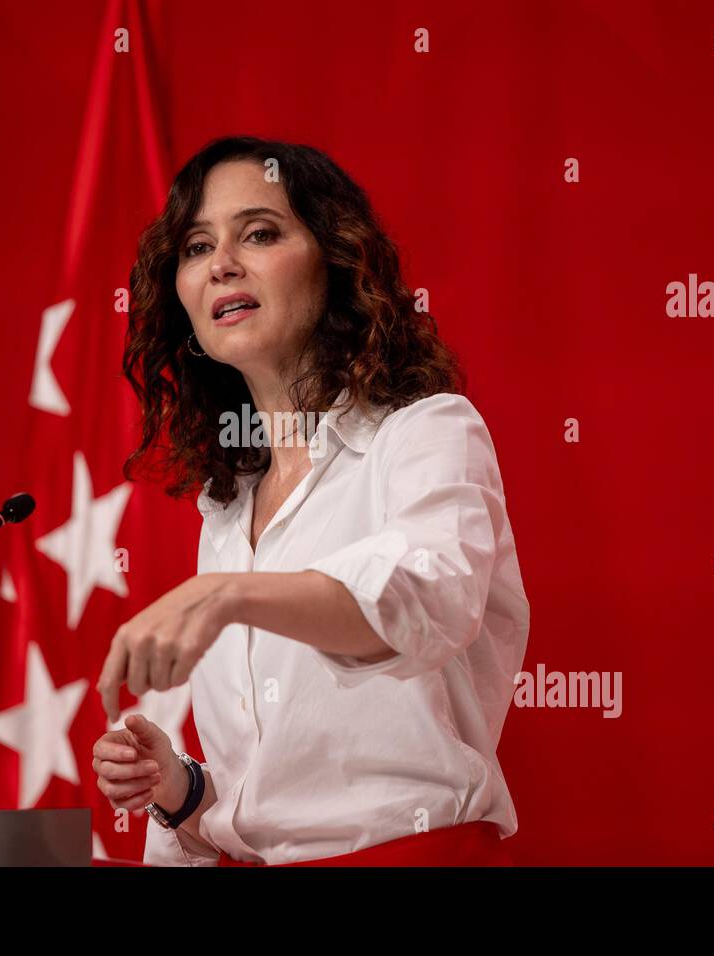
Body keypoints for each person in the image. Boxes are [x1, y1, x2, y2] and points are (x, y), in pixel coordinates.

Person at [91, 135, 530, 866]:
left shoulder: (427, 431)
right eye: (197, 248)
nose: (222, 262)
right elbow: (271, 814)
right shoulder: (226, 508)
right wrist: (181, 790)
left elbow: (430, 601)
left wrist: (229, 594)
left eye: (259, 233)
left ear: (336, 259)